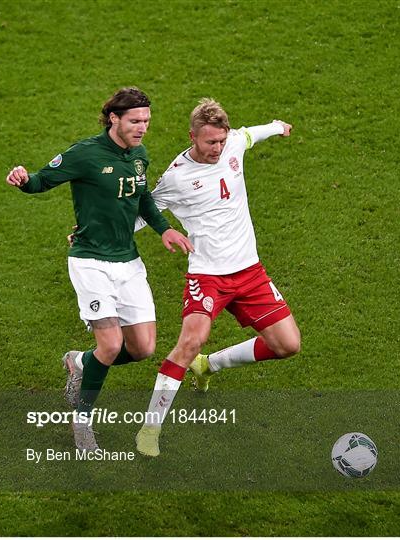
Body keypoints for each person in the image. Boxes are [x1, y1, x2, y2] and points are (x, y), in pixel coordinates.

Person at [6, 87, 193, 452]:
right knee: (111, 344)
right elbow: (42, 180)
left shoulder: (139, 156)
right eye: (135, 121)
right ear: (114, 118)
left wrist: (164, 228)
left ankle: (80, 362)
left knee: (143, 348)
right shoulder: (85, 154)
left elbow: (142, 200)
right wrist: (23, 179)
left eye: (147, 121)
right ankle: (82, 418)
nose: (142, 128)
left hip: (128, 262)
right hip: (90, 261)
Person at [135, 98, 301, 457]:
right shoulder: (178, 177)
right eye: (210, 142)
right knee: (191, 340)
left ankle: (209, 366)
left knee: (287, 345)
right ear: (192, 136)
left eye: (222, 142)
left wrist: (277, 125)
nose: (218, 149)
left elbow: (249, 135)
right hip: (208, 274)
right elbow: (144, 210)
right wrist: (96, 232)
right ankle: (150, 427)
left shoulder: (232, 144)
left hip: (250, 271)